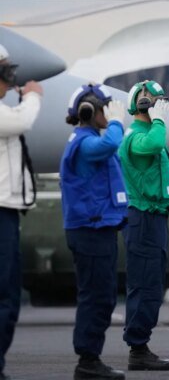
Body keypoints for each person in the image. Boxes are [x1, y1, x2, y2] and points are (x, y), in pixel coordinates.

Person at [60, 84, 128, 380]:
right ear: (89, 111)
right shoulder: (85, 143)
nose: (109, 114)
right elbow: (110, 145)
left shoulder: (89, 140)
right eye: (105, 109)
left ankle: (90, 359)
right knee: (96, 296)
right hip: (90, 230)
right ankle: (87, 361)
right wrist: (116, 123)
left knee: (103, 295)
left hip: (99, 228)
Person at [118, 80, 169, 371]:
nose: (161, 106)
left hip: (155, 215)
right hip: (142, 218)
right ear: (143, 104)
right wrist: (159, 121)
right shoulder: (137, 136)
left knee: (153, 283)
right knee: (144, 283)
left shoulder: (149, 132)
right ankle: (138, 349)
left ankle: (141, 345)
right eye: (157, 101)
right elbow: (154, 144)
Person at [0, 43, 42, 380]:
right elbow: (21, 121)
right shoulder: (8, 116)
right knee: (3, 293)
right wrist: (32, 96)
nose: (8, 78)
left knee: (10, 295)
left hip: (8, 210)